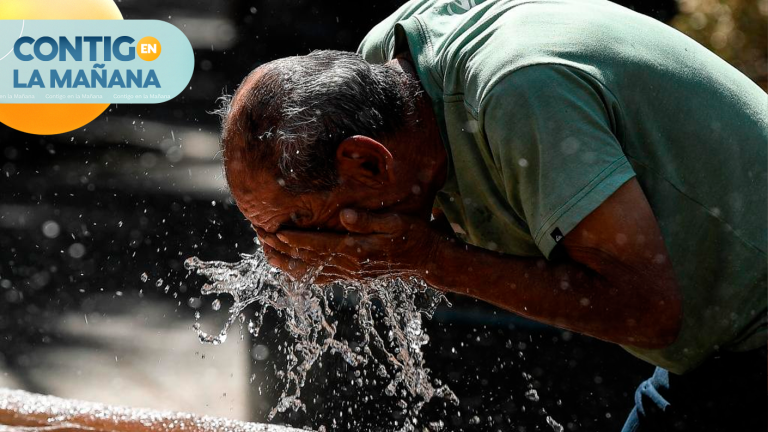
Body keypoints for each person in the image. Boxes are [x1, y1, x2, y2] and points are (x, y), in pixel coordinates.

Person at [216, 0, 767, 430]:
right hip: (716, 350)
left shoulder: (517, 97)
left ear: (366, 161)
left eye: (297, 224)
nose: (289, 255)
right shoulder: (395, 70)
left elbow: (648, 310)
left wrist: (433, 260)